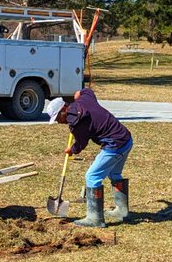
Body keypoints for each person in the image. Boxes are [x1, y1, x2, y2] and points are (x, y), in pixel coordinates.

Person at [47, 87, 132, 228]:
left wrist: (71, 150)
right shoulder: (85, 99)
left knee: (92, 177)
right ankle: (122, 211)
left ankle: (95, 219)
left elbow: (81, 144)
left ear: (63, 110)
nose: (58, 122)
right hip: (126, 139)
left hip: (115, 145)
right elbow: (87, 91)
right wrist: (77, 94)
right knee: (114, 173)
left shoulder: (75, 124)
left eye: (57, 118)